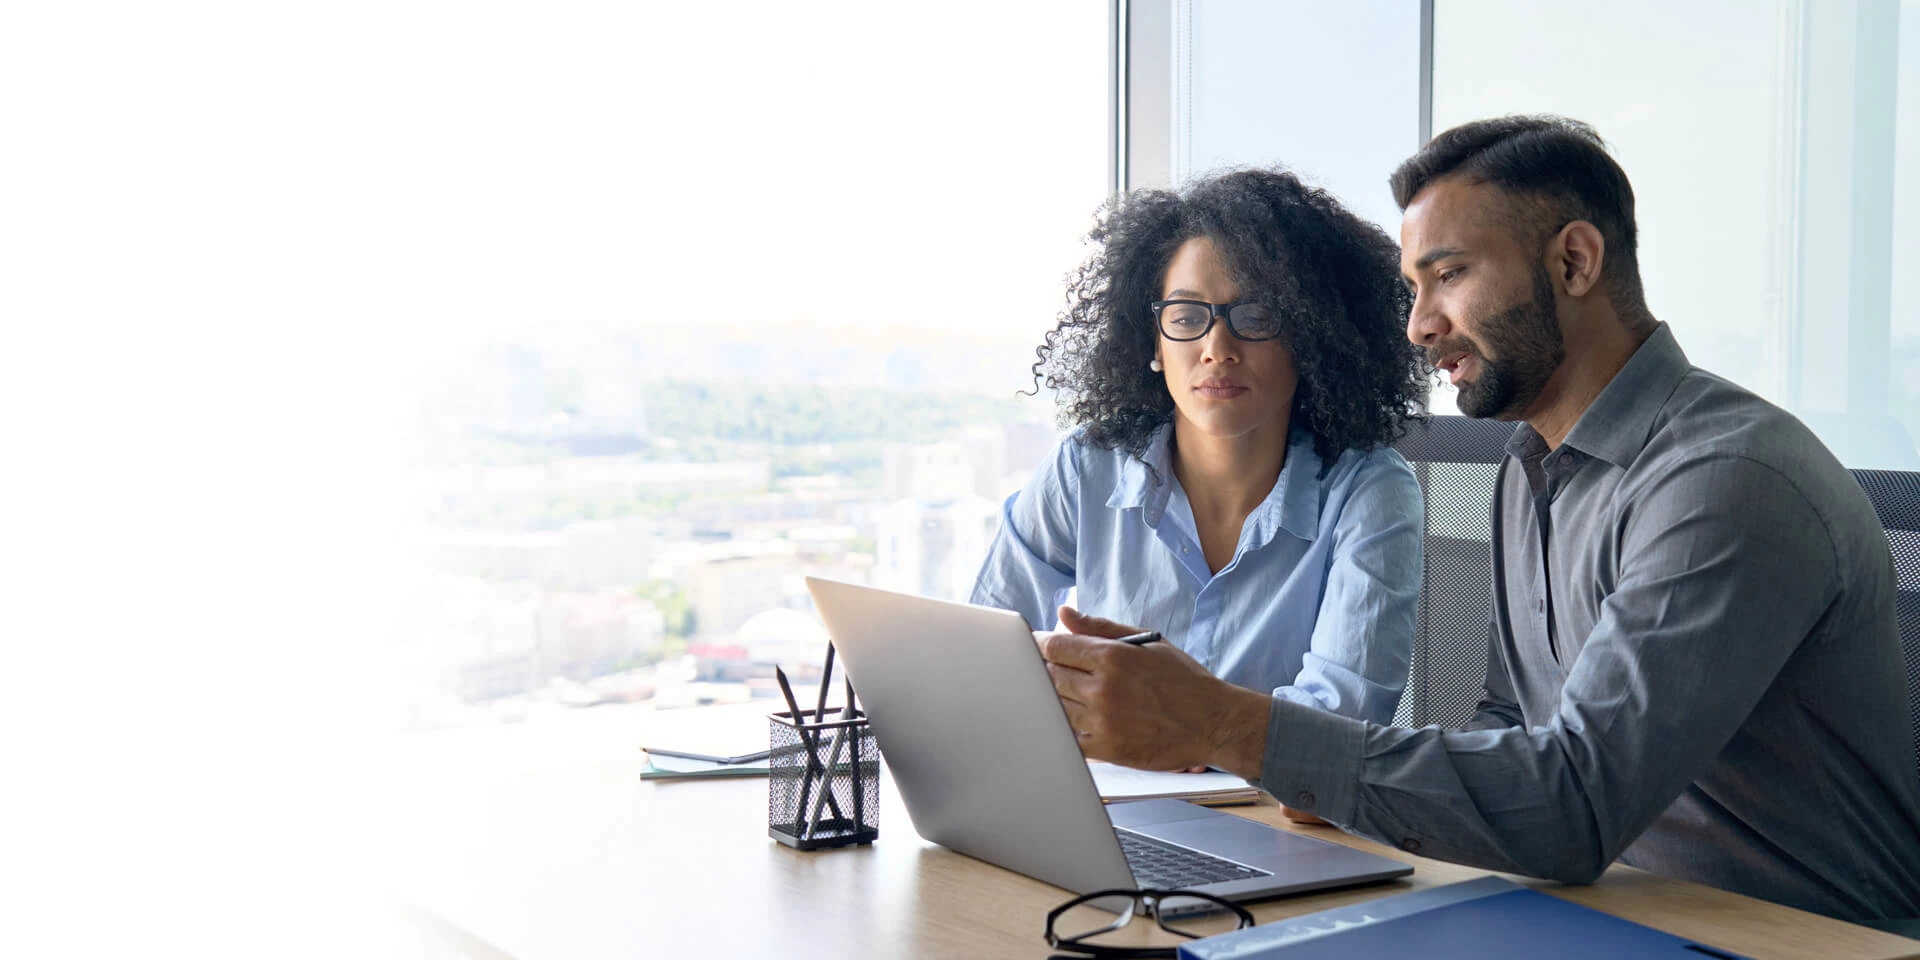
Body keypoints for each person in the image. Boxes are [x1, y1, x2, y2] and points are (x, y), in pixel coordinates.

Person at [1036, 116, 1920, 925]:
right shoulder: (1528, 467)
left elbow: (1575, 805)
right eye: (1413, 288)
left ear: (1575, 263)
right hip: (1599, 912)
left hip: (1792, 935)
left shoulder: (1725, 481)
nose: (1420, 326)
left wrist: (1231, 727)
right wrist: (1335, 771)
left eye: (1449, 276)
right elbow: (1508, 723)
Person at [970, 168, 1427, 727]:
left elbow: (1340, 722)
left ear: (1311, 337)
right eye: (1186, 317)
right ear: (1154, 343)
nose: (1217, 347)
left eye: (1255, 316)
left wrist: (1191, 733)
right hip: (1104, 798)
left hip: (1275, 813)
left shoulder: (1370, 490)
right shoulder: (1087, 468)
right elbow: (984, 653)